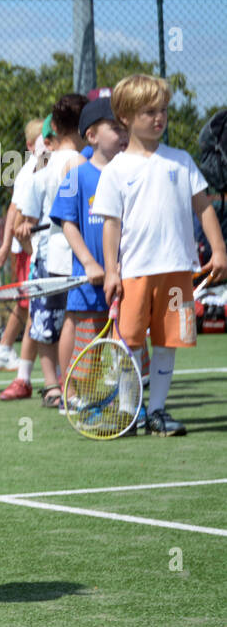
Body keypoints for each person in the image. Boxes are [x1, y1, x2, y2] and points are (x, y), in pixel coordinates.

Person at [95, 74, 227, 435]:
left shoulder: (181, 161)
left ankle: (156, 412)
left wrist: (219, 250)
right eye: (149, 111)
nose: (159, 117)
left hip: (177, 270)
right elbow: (111, 225)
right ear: (125, 116)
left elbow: (204, 208)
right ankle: (129, 412)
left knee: (168, 343)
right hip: (134, 272)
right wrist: (110, 270)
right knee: (130, 343)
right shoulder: (116, 171)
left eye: (163, 110)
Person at [4, 93, 88, 408]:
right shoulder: (83, 164)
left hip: (48, 256)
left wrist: (26, 235)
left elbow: (23, 220)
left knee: (44, 321)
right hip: (77, 257)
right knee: (76, 319)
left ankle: (53, 386)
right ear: (84, 128)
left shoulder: (41, 168)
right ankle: (72, 387)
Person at [49, 96, 127, 417]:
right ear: (92, 136)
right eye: (115, 128)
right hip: (89, 277)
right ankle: (76, 394)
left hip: (126, 275)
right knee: (86, 338)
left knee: (126, 338)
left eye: (126, 128)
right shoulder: (76, 175)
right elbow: (68, 223)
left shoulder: (130, 172)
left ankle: (126, 401)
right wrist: (91, 262)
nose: (123, 134)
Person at [0, 118, 43, 372]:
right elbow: (14, 211)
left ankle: (4, 348)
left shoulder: (44, 166)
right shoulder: (32, 170)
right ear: (31, 145)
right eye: (46, 138)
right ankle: (11, 354)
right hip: (27, 248)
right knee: (32, 303)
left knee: (27, 302)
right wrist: (8, 245)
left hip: (29, 247)